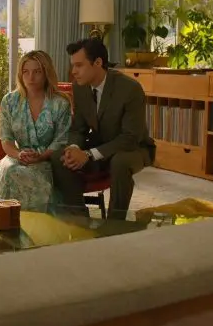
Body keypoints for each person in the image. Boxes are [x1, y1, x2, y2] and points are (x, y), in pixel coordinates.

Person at [51, 38, 155, 219]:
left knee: (120, 162)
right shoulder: (80, 87)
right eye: (73, 65)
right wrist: (74, 149)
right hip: (99, 145)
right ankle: (79, 217)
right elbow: (78, 129)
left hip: (133, 148)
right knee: (59, 156)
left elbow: (130, 138)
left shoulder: (130, 89)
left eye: (79, 65)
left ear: (98, 63)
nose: (73, 71)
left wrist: (89, 154)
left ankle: (115, 223)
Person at [0, 50, 72, 211]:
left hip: (47, 159)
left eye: (37, 72)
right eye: (26, 72)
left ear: (46, 73)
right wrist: (19, 154)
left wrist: (41, 156)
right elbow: (6, 139)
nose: (31, 77)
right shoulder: (10, 101)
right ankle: (5, 218)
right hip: (16, 156)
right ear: (20, 74)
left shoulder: (60, 103)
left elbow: (61, 140)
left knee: (32, 177)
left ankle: (36, 222)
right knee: (10, 171)